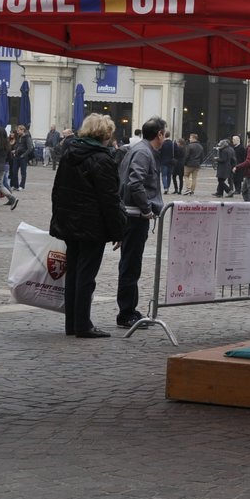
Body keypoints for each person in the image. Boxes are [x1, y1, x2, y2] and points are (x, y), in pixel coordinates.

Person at [49, 113, 125, 338]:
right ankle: (83, 324)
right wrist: (118, 230)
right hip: (92, 224)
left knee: (73, 273)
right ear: (105, 134)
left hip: (70, 222)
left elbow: (57, 190)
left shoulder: (69, 153)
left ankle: (72, 323)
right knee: (86, 275)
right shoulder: (102, 159)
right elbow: (109, 199)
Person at [116, 116, 167, 329]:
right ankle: (126, 313)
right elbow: (135, 183)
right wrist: (146, 209)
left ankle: (130, 309)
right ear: (160, 134)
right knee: (130, 264)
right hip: (135, 216)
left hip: (133, 215)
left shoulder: (140, 150)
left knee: (131, 263)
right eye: (165, 132)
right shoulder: (144, 153)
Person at [9, 123, 33, 190]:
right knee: (14, 171)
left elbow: (30, 148)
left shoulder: (27, 137)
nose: (17, 132)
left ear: (22, 130)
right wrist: (15, 151)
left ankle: (22, 186)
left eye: (18, 130)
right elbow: (18, 146)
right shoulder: (19, 137)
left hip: (23, 158)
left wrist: (24, 155)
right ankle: (15, 185)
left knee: (23, 172)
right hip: (16, 156)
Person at [157, 126, 180, 195]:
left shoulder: (162, 143)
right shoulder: (173, 143)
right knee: (169, 175)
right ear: (169, 135)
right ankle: (168, 187)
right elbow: (177, 152)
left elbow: (159, 152)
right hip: (171, 161)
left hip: (163, 161)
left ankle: (165, 187)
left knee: (164, 175)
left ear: (164, 135)